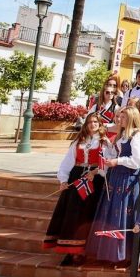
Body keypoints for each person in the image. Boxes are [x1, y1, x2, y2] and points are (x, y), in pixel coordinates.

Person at [44, 113, 109, 264]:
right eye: (90, 122)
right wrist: (63, 180)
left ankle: (83, 250)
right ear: (86, 124)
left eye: (95, 122)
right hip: (77, 177)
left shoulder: (104, 142)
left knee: (87, 215)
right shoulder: (78, 141)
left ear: (100, 124)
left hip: (94, 180)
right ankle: (71, 250)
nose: (92, 124)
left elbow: (106, 163)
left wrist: (96, 172)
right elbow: (68, 161)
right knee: (72, 214)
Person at [86, 106, 140, 263]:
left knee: (124, 214)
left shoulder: (137, 136)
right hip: (117, 177)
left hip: (128, 178)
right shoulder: (122, 135)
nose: (120, 120)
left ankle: (125, 254)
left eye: (123, 117)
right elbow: (117, 155)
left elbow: (137, 161)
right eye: (119, 117)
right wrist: (109, 150)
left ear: (131, 118)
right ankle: (110, 253)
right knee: (112, 213)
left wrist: (117, 161)